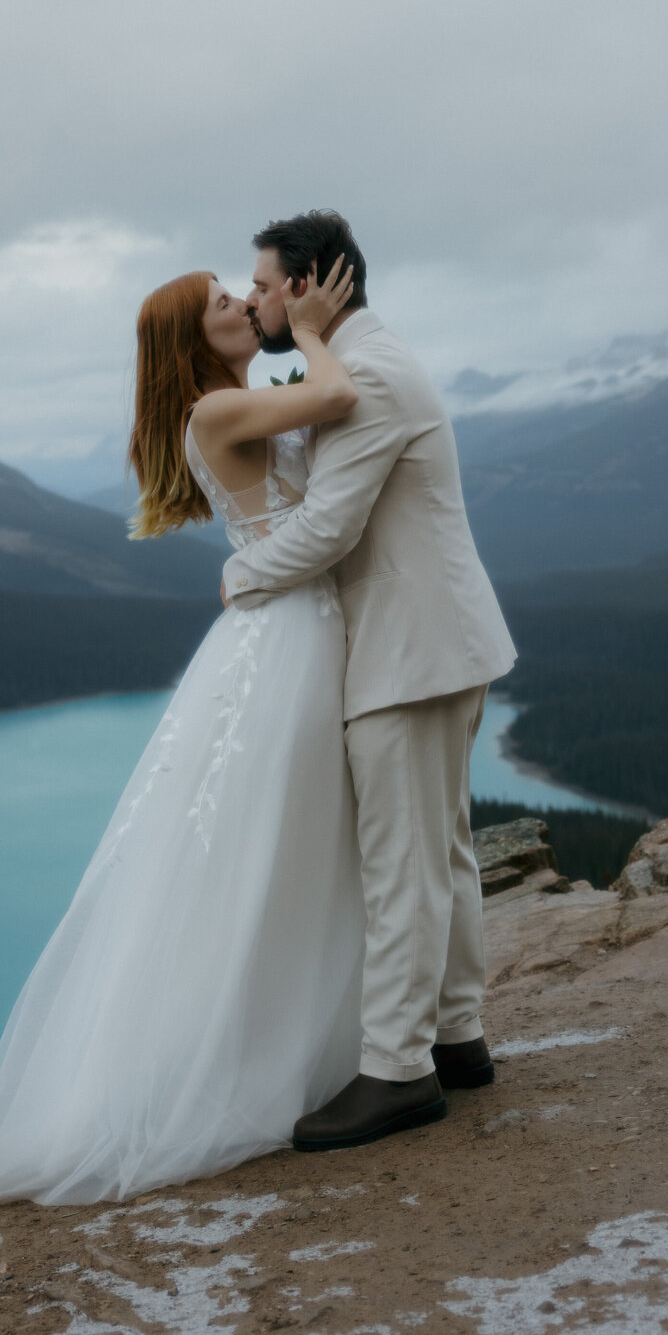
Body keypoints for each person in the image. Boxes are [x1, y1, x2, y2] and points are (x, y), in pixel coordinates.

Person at [0, 256, 366, 1205]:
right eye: (224, 302)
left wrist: (291, 346)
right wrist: (316, 330)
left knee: (282, 843)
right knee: (278, 844)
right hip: (287, 637)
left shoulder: (230, 401)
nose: (241, 304)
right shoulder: (215, 413)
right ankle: (262, 1062)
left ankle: (304, 1047)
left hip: (285, 626)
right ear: (191, 336)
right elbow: (334, 396)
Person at [224, 210, 516, 1152]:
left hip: (408, 651)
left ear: (307, 285)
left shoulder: (374, 374)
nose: (256, 297)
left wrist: (236, 577)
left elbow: (330, 527)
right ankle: (458, 1036)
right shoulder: (358, 358)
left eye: (264, 283)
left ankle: (397, 1072)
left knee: (403, 865)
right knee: (444, 851)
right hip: (433, 643)